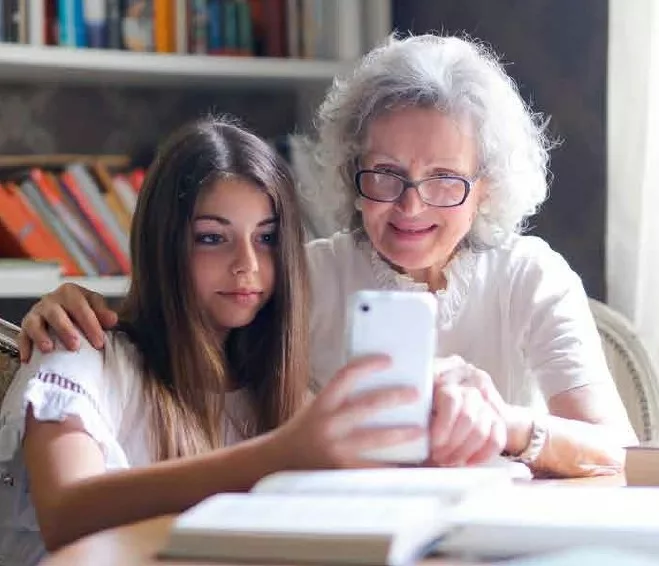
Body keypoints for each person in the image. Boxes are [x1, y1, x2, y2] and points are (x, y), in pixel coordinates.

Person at [19, 34, 635, 479]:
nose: (409, 207)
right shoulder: (302, 274)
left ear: (487, 188)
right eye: (385, 175)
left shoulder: (531, 274)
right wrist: (74, 308)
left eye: (445, 179)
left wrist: (509, 425)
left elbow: (618, 452)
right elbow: (184, 322)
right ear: (349, 171)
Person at [0, 117, 459, 565]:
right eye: (212, 237)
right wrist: (278, 456)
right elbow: (65, 514)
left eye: (266, 238)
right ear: (165, 244)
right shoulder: (78, 350)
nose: (247, 265)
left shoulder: (281, 391)